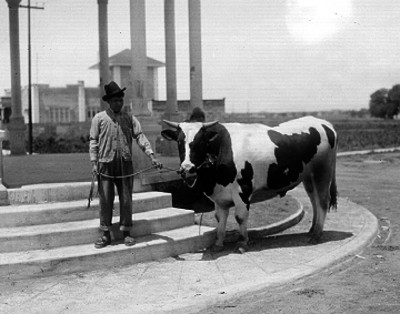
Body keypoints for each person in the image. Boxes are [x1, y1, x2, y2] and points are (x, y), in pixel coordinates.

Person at [89, 81, 162, 249]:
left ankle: (126, 232)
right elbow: (93, 142)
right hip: (105, 164)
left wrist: (152, 155)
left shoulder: (129, 118)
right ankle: (105, 234)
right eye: (115, 101)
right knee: (106, 200)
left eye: (121, 100)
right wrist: (94, 163)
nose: (119, 103)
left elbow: (140, 137)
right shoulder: (99, 118)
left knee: (126, 199)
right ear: (109, 102)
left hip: (125, 164)